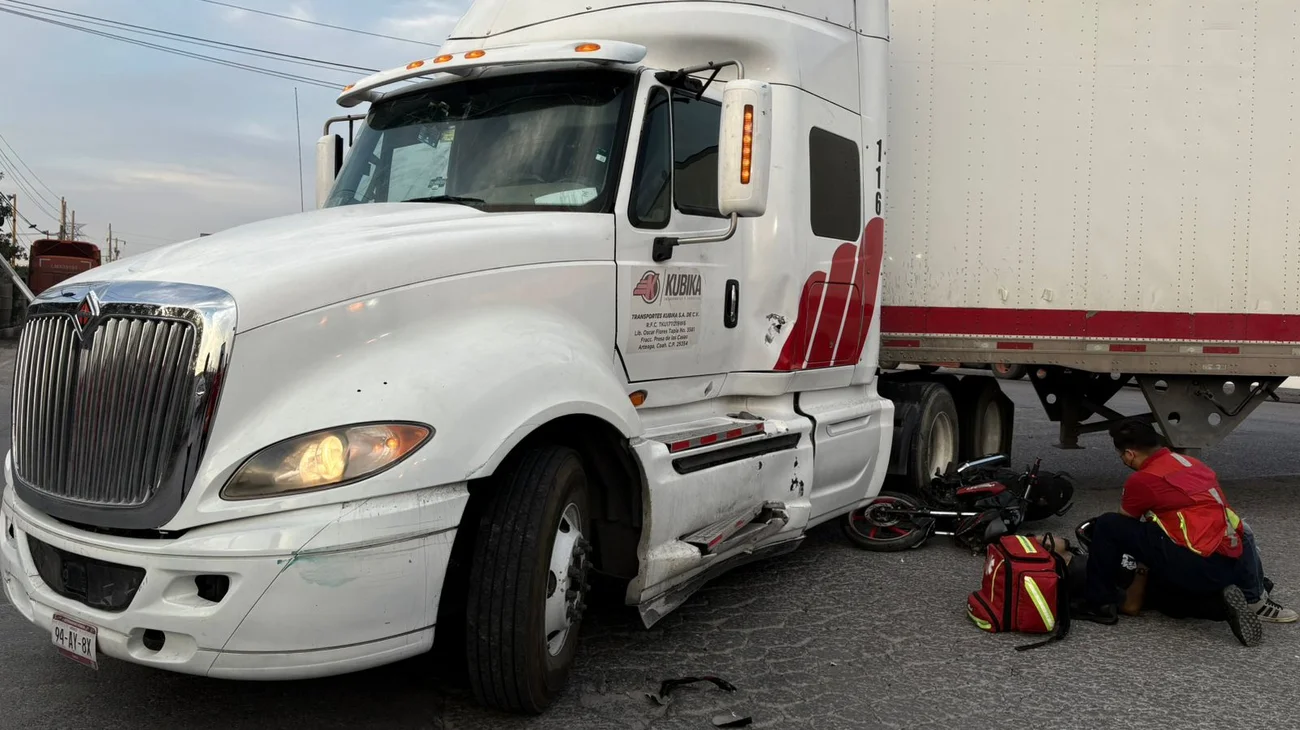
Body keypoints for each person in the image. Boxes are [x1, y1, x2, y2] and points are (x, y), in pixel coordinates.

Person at [1075, 420, 1269, 646]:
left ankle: (1099, 604)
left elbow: (1123, 524)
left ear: (1129, 454)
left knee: (1108, 525)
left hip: (1196, 562)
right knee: (1167, 599)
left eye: (1122, 456)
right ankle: (1219, 607)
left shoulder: (1144, 479)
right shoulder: (1193, 464)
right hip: (1227, 564)